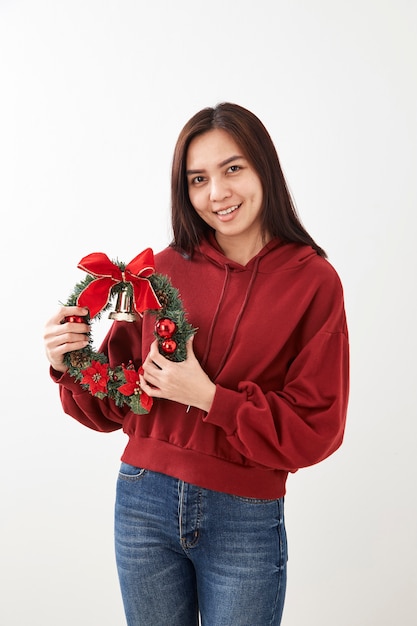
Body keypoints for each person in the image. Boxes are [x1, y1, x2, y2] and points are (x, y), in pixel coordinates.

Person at [44, 102, 349, 626]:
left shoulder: (313, 282)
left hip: (245, 516)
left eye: (233, 169)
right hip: (143, 502)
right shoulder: (160, 271)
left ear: (264, 169)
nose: (217, 194)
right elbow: (112, 406)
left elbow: (316, 428)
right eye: (198, 179)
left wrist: (209, 397)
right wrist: (69, 359)